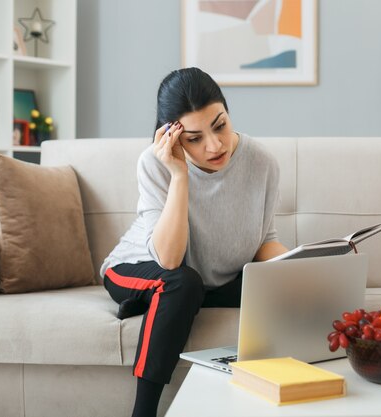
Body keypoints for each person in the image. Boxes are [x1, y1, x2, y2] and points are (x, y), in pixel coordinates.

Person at [99, 67, 288, 417]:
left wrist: (301, 265)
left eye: (220, 125)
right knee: (182, 282)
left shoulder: (263, 163)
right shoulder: (154, 164)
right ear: (173, 137)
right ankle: (143, 412)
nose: (214, 146)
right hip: (137, 267)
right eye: (194, 138)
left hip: (202, 278)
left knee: (262, 284)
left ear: (228, 113)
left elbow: (264, 241)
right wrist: (179, 173)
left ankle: (160, 305)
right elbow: (169, 260)